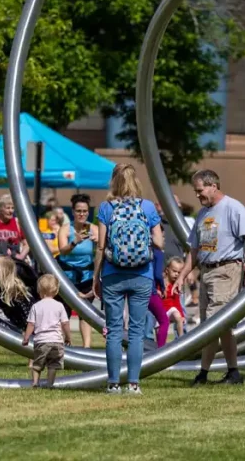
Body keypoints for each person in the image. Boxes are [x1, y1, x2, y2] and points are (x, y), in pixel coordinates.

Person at [174, 169, 245, 387]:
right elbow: (194, 250)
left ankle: (203, 374)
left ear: (213, 186)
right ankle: (233, 373)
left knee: (212, 325)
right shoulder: (203, 213)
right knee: (221, 326)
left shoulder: (233, 207)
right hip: (207, 272)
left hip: (226, 270)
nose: (197, 195)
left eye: (200, 190)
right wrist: (182, 276)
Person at [95, 163, 164, 395]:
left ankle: (113, 383)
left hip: (113, 273)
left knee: (114, 331)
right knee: (136, 332)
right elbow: (160, 242)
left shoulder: (106, 207)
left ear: (113, 180)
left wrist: (96, 277)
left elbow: (101, 246)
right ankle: (134, 384)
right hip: (142, 274)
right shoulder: (147, 207)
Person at [58, 193, 97, 348]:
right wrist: (74, 242)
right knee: (64, 312)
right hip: (67, 277)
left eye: (85, 211)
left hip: (86, 277)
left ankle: (86, 347)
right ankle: (64, 345)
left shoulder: (93, 229)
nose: (82, 214)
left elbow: (105, 248)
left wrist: (99, 242)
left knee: (85, 312)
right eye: (79, 211)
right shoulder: (66, 230)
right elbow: (62, 250)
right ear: (73, 212)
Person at [21, 274, 72, 388]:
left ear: (39, 290)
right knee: (53, 365)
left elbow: (31, 324)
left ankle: (35, 382)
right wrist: (68, 337)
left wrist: (26, 338)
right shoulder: (59, 306)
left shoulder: (36, 306)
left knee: (37, 364)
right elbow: (65, 323)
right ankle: (50, 384)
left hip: (41, 341)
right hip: (56, 341)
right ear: (56, 291)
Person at [0, 256, 34, 330]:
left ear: (2, 269)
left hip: (23, 317)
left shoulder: (7, 286)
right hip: (23, 316)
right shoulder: (6, 283)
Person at [162, 257, 187, 339]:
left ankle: (181, 339)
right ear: (167, 270)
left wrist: (182, 315)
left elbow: (177, 302)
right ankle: (161, 344)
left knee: (178, 317)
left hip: (170, 310)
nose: (176, 274)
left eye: (179, 272)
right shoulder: (161, 282)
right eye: (174, 271)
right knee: (161, 331)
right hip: (160, 311)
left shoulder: (175, 286)